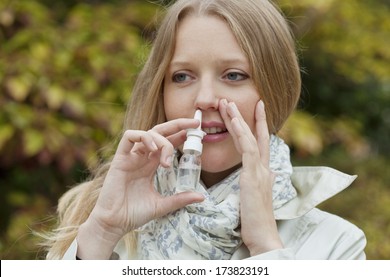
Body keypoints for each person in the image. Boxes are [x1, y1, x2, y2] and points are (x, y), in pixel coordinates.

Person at [41, 0, 366, 260]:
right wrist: (102, 231)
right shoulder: (94, 219)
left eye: (234, 75)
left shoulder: (337, 245)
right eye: (182, 76)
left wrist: (266, 245)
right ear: (161, 90)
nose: (205, 98)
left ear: (276, 89)